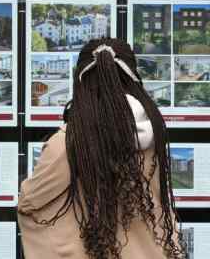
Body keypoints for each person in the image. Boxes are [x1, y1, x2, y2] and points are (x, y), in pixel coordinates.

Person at [18, 38, 187, 259]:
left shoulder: (68, 143)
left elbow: (31, 201)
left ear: (81, 81)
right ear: (134, 77)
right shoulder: (153, 134)